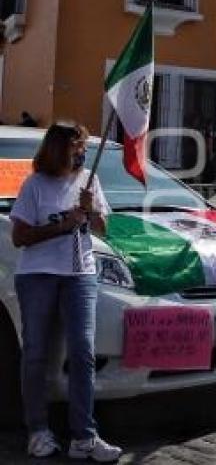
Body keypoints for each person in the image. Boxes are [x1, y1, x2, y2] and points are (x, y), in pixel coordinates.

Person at [9, 122, 121, 462]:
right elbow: (20, 237)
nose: (81, 153)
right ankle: (38, 431)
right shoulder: (35, 185)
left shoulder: (90, 181)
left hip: (80, 273)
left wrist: (92, 210)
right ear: (58, 149)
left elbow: (103, 229)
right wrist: (62, 225)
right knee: (37, 353)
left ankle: (84, 436)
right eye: (75, 146)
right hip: (38, 275)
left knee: (83, 352)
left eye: (84, 146)